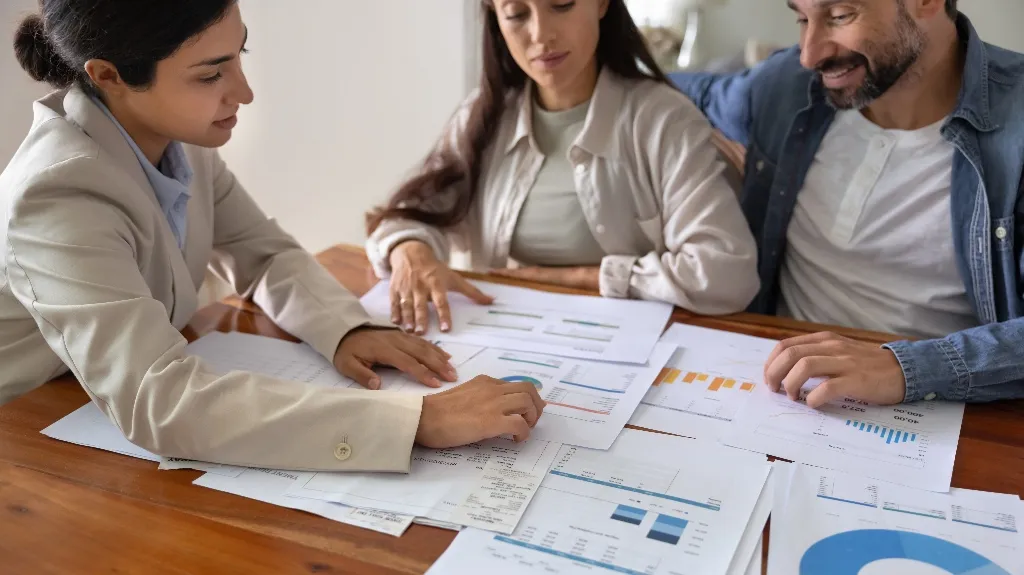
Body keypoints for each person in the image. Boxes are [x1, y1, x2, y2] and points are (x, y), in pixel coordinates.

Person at [0, 0, 545, 471]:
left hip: (89, 404)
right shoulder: (56, 195)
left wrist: (346, 329)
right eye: (211, 75)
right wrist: (416, 420)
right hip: (26, 435)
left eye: (241, 55)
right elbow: (161, 400)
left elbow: (262, 253)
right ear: (108, 75)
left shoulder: (175, 137)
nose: (245, 91)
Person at [670, 0, 1023, 407]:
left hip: (933, 413)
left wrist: (905, 367)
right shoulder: (786, 86)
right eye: (802, 19)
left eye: (839, 16)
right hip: (770, 390)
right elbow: (676, 87)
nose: (809, 54)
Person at [365, 0, 760, 335]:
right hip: (507, 338)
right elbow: (406, 218)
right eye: (517, 13)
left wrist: (572, 278)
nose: (541, 35)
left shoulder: (665, 120)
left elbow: (726, 274)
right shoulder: (485, 117)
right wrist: (410, 251)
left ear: (603, 3)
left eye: (561, 4)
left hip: (630, 345)